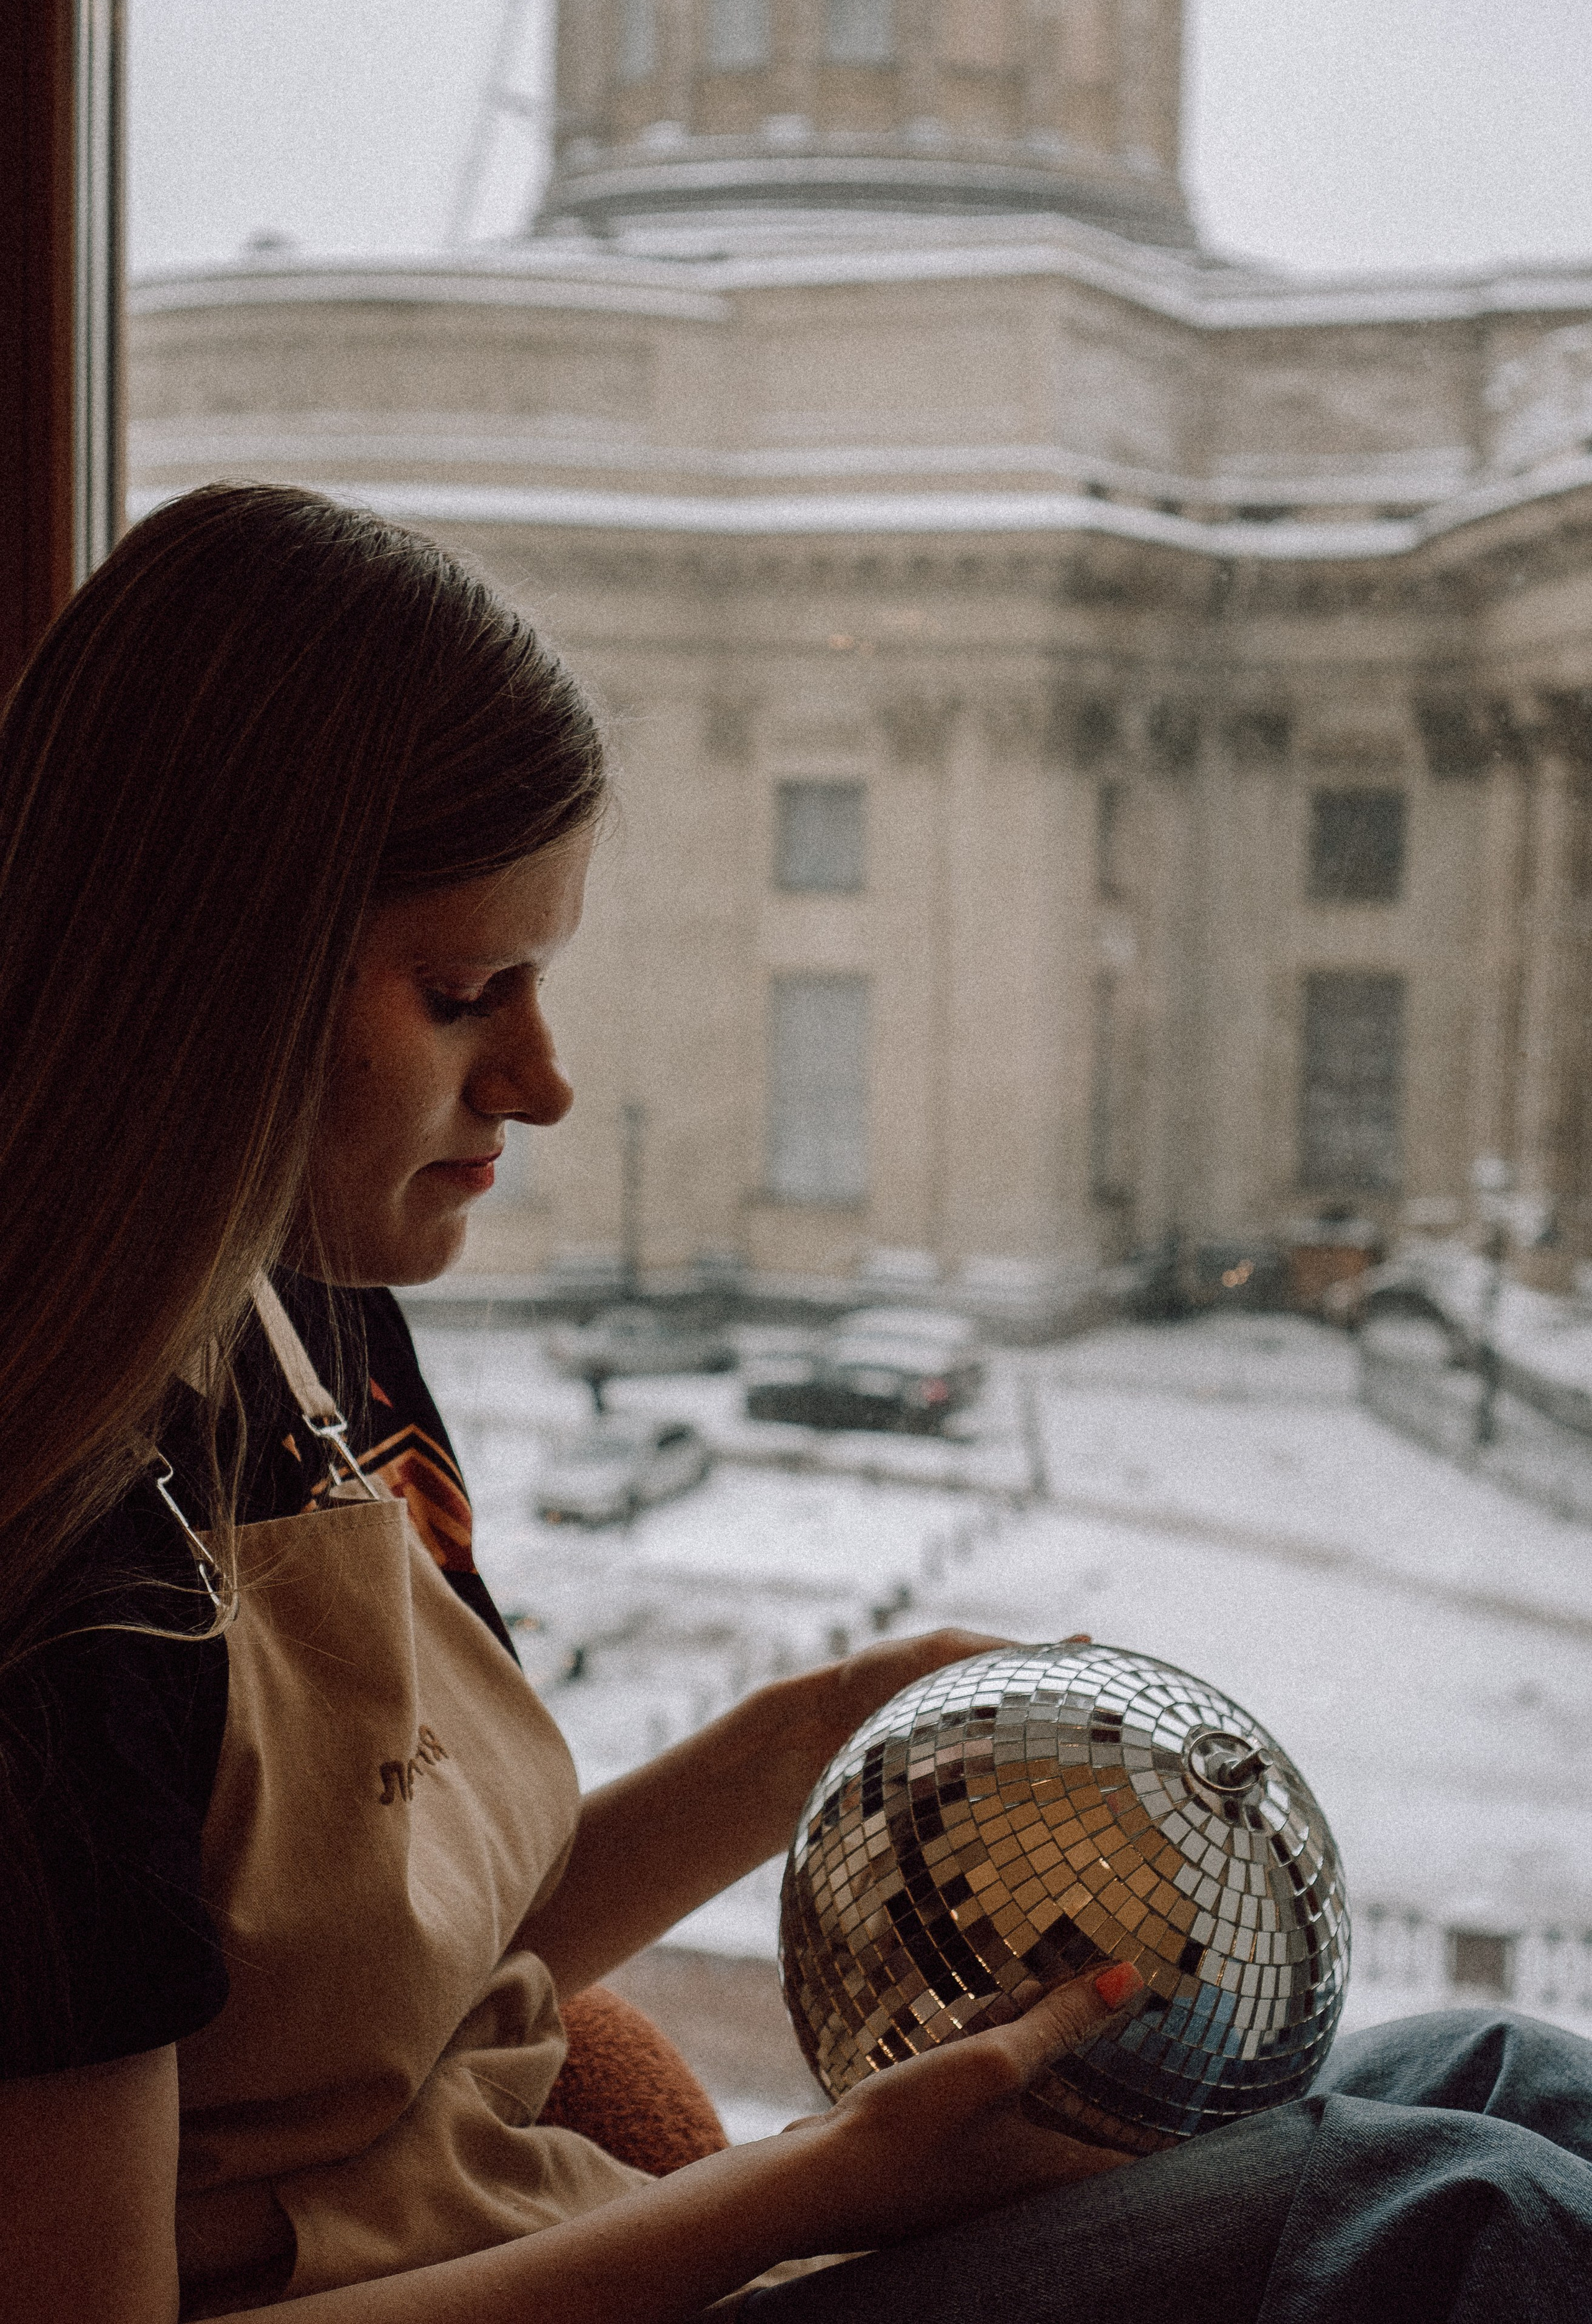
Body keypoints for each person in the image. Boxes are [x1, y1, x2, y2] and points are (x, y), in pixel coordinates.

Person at [0, 486, 1587, 2324]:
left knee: (1503, 2075)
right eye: (463, 995)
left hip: (533, 2216)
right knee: (1473, 2214)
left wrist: (831, 1722)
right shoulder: (63, 1591)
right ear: (211, 976)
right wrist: (817, 2189)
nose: (545, 1080)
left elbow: (412, 1993)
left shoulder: (309, 1327)